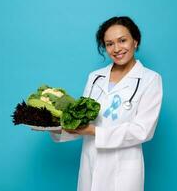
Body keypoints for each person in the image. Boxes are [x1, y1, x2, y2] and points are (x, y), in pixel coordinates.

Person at [50, 16, 163, 191]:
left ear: (135, 41)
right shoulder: (95, 77)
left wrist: (95, 132)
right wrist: (55, 126)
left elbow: (142, 131)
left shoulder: (150, 79)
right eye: (109, 44)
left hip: (124, 168)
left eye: (122, 40)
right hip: (91, 160)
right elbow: (83, 121)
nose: (116, 48)